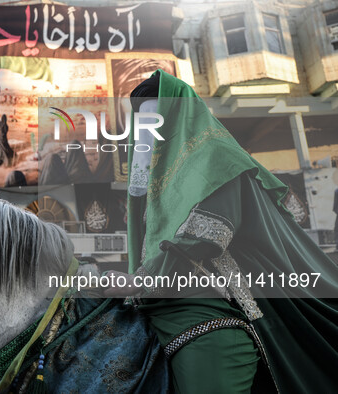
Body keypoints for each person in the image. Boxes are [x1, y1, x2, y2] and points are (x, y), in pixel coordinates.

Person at [105, 70, 338, 393]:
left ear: (177, 118)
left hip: (207, 305)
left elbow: (206, 236)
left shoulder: (216, 157)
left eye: (154, 118)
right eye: (141, 122)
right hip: (153, 304)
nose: (147, 132)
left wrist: (138, 280)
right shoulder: (155, 188)